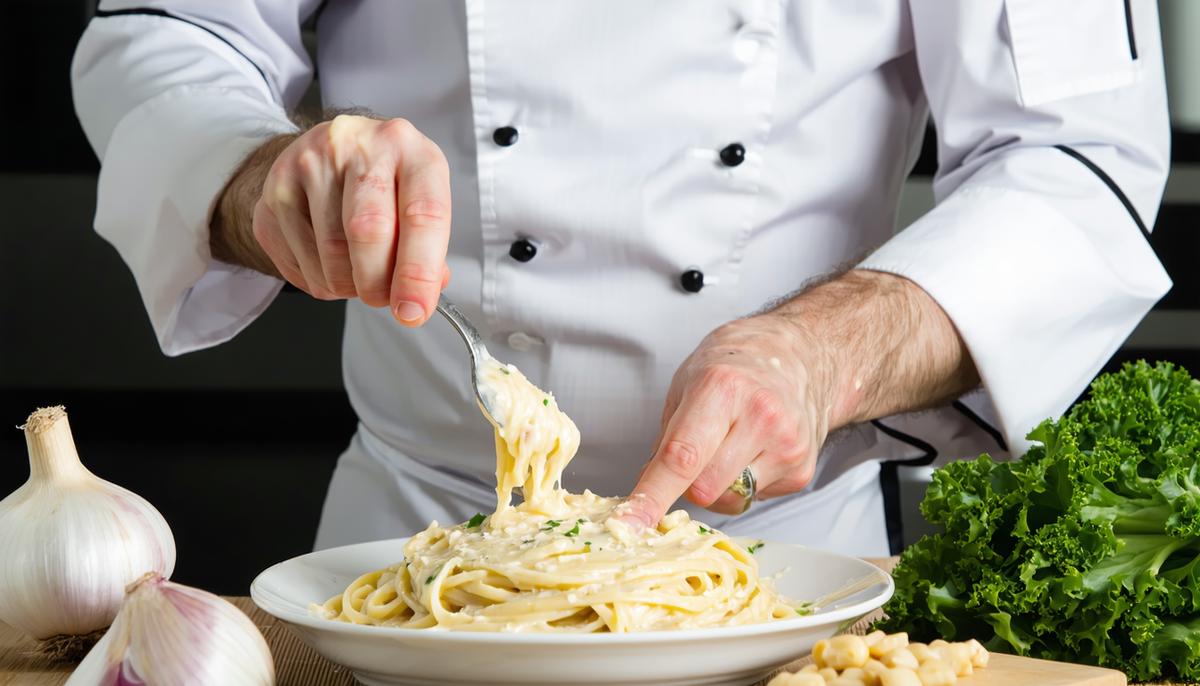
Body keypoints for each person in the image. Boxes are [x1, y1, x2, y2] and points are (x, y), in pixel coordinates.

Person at [72, 1, 1170, 557]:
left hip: (780, 567)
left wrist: (820, 354)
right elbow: (172, 33)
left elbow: (1074, 157)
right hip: (413, 552)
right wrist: (258, 171)